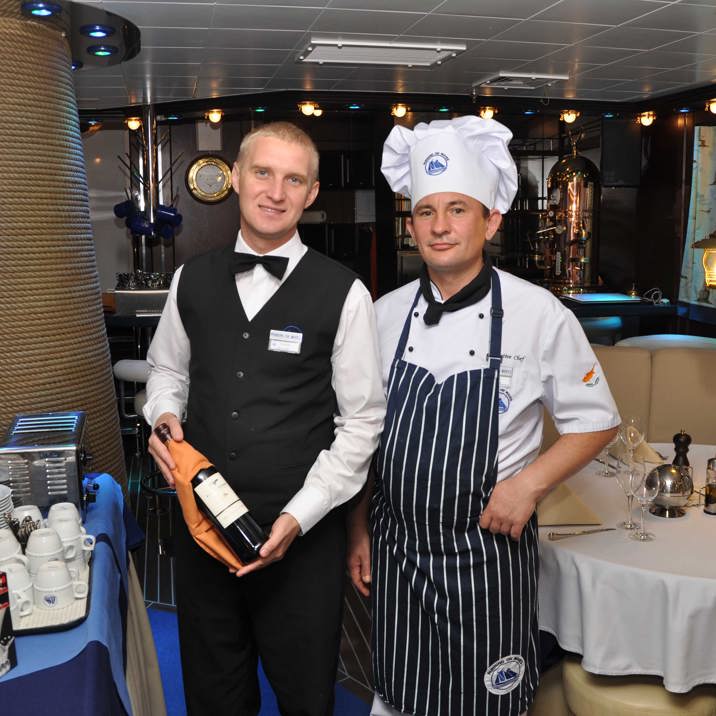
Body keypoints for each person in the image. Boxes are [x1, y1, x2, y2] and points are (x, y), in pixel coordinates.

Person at [346, 116, 620, 716]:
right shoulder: (381, 314)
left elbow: (597, 420)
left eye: (458, 209)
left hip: (488, 559)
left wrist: (529, 485)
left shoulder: (539, 314)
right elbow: (365, 433)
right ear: (411, 223)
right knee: (398, 696)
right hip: (399, 555)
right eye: (426, 212)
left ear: (491, 219)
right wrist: (359, 527)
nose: (440, 227)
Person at [144, 121, 385, 716]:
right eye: (263, 173)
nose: (276, 192)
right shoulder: (190, 278)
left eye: (293, 179)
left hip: (301, 545)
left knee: (305, 697)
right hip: (202, 530)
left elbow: (362, 422)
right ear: (236, 180)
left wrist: (298, 519)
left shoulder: (345, 292)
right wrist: (164, 416)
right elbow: (166, 370)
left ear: (311, 193)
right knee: (213, 693)